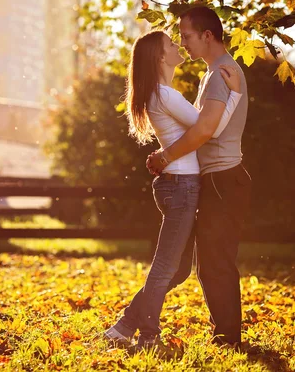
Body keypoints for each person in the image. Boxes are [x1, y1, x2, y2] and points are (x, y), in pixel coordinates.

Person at [104, 29, 243, 349]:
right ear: (160, 57)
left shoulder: (161, 93)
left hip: (179, 185)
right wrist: (233, 95)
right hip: (181, 187)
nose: (178, 45)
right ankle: (148, 336)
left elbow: (197, 125)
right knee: (166, 267)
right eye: (171, 43)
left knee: (177, 269)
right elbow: (208, 130)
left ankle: (123, 328)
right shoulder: (164, 95)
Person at [146, 6, 251, 347]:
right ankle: (223, 336)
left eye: (188, 37)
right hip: (216, 179)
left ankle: (228, 340)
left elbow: (207, 129)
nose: (184, 43)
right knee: (199, 265)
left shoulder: (223, 72)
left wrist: (165, 156)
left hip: (222, 179)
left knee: (215, 263)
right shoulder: (214, 73)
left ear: (207, 36)